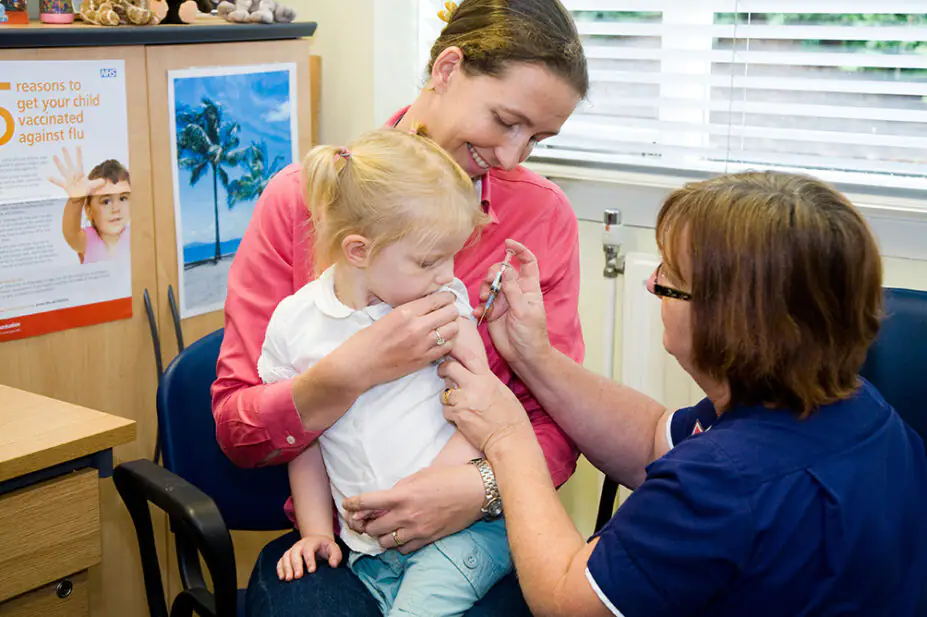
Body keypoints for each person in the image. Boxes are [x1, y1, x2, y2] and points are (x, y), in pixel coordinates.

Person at [210, 1, 588, 614]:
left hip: (481, 526)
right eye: (505, 120)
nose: (515, 157)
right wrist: (348, 372)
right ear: (446, 68)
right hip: (341, 539)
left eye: (538, 138)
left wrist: (474, 490)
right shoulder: (303, 202)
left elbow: (559, 417)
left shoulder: (540, 217)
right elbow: (238, 429)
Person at [423, 171, 927, 617]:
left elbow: (563, 599)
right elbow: (651, 441)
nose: (650, 284)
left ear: (728, 323)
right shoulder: (856, 406)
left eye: (670, 281)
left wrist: (510, 439)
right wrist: (536, 358)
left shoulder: (721, 484)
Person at [259, 127, 512, 616]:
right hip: (369, 553)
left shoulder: (443, 305)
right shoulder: (294, 325)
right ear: (359, 251)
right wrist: (315, 531)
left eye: (452, 256)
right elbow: (303, 441)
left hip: (462, 534)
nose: (448, 273)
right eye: (429, 260)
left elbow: (485, 404)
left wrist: (427, 489)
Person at [48, 147, 131, 264]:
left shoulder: (134, 236)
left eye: (123, 198)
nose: (116, 209)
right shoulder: (87, 240)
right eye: (106, 201)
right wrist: (76, 199)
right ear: (89, 211)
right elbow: (71, 233)